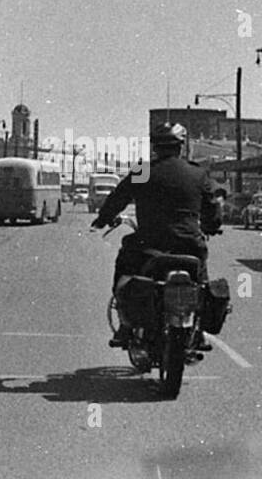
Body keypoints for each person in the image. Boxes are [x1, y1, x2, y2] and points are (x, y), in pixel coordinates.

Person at [91, 122, 221, 348]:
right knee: (201, 281)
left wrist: (103, 219)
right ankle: (198, 331)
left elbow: (118, 198)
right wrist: (211, 226)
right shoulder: (197, 173)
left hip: (148, 246)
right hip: (189, 245)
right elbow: (212, 209)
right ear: (181, 147)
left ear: (155, 148)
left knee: (125, 271)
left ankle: (126, 326)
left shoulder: (144, 171)